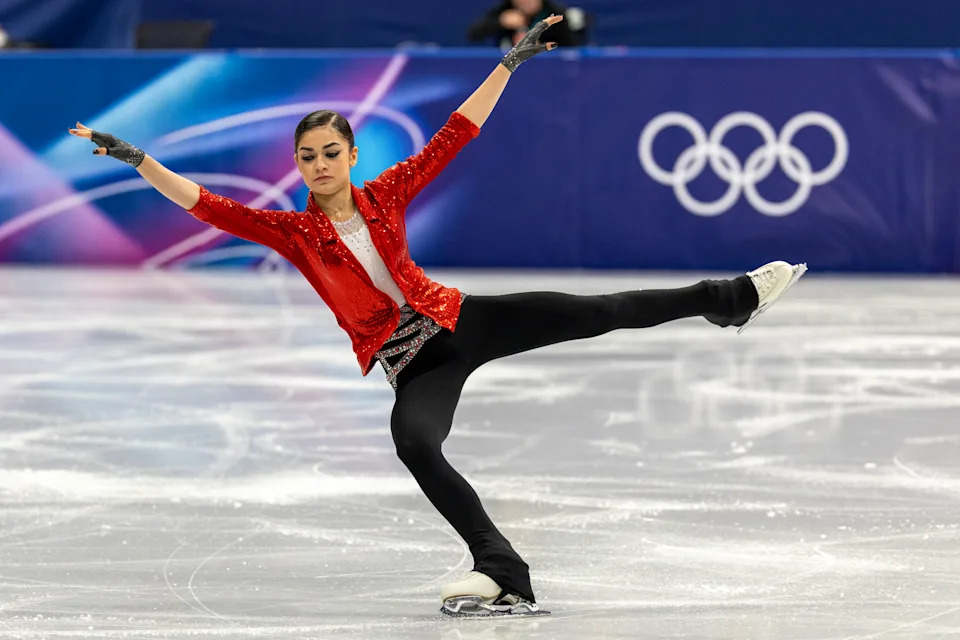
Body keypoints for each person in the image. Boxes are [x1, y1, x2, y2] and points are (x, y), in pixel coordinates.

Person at [69, 15, 805, 617]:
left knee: (598, 309)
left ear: (352, 154)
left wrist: (508, 67)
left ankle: (727, 299)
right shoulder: (292, 232)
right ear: (297, 166)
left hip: (461, 320)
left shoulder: (386, 193)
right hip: (413, 361)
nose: (320, 163)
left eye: (331, 151)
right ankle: (503, 567)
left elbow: (455, 133)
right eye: (308, 155)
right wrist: (140, 162)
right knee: (415, 443)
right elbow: (209, 204)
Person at [468, 0, 579, 48]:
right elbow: (473, 34)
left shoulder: (555, 13)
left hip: (546, 73)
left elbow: (569, 50)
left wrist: (541, 48)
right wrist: (499, 22)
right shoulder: (504, 9)